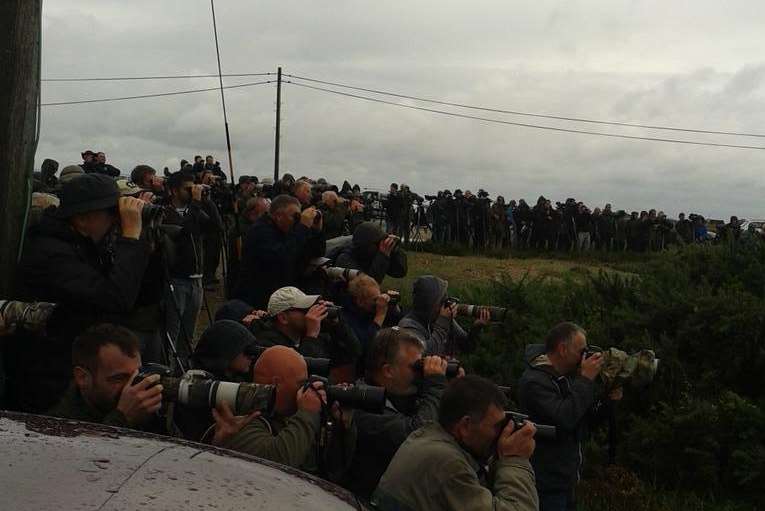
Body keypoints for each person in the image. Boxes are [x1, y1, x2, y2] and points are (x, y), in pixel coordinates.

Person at [8, 174, 149, 412]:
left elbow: (137, 294)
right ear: (83, 219)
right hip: (49, 380)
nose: (118, 220)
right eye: (111, 213)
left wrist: (142, 239)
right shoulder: (53, 254)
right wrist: (131, 238)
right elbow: (116, 299)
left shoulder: (80, 243)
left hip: (70, 366)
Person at [372, 375, 539, 511]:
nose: (501, 433)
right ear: (465, 426)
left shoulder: (429, 437)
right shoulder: (446, 462)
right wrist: (515, 460)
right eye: (496, 426)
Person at [517, 322, 621, 511]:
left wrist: (608, 401)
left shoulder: (566, 376)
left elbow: (583, 423)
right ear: (563, 349)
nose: (585, 356)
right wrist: (586, 380)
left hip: (567, 480)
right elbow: (565, 418)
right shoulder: (534, 382)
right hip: (546, 483)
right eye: (582, 351)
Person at [217, 345, 355, 478]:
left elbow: (332, 471)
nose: (306, 389)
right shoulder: (242, 419)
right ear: (276, 384)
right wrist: (307, 413)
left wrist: (343, 426)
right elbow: (278, 462)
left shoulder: (293, 419)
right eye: (301, 384)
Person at [345, 327, 448, 499]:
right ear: (388, 371)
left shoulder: (402, 396)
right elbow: (417, 436)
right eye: (416, 367)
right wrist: (436, 386)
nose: (420, 374)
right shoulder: (361, 405)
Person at [48, 323, 163, 429]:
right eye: (119, 378)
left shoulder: (142, 408)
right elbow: (88, 449)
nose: (132, 387)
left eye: (136, 375)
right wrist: (123, 418)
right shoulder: (58, 424)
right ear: (82, 378)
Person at [161, 171, 222, 362]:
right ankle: (169, 369)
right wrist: (196, 204)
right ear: (173, 191)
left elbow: (216, 227)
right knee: (172, 332)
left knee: (188, 334)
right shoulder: (164, 213)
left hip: (197, 281)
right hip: (177, 280)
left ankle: (184, 369)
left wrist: (207, 201)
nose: (191, 192)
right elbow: (184, 233)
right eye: (187, 189)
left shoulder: (194, 211)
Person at [235, 194, 326, 309]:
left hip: (280, 294)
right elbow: (283, 257)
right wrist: (302, 228)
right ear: (278, 216)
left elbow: (316, 253)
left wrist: (317, 231)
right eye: (294, 217)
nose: (296, 221)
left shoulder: (288, 230)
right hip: (257, 298)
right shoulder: (260, 231)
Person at [251, 287, 361, 372]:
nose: (311, 313)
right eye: (305, 309)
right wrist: (311, 336)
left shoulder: (317, 336)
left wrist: (337, 325)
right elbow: (303, 372)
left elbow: (354, 352)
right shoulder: (267, 345)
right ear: (283, 318)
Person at [399, 275, 489, 355]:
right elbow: (424, 352)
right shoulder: (408, 326)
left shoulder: (440, 318)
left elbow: (466, 347)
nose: (446, 304)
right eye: (442, 300)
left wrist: (476, 327)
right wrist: (442, 323)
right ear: (429, 304)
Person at [334, 221, 408, 285]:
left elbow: (400, 272)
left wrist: (395, 250)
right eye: (378, 243)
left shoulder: (371, 253)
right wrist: (383, 256)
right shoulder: (345, 259)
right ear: (368, 245)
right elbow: (369, 285)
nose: (381, 245)